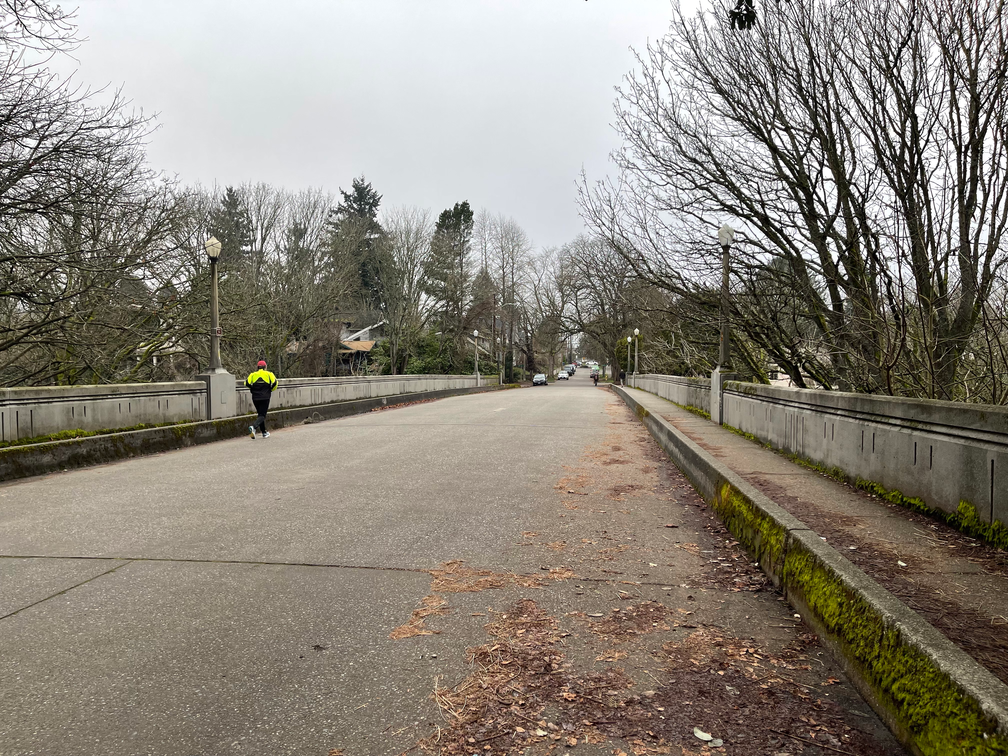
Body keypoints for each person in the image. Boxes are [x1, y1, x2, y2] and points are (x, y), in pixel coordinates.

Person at [245, 360, 278, 439]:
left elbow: (246, 383)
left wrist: (252, 389)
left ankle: (264, 432)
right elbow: (275, 383)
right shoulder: (269, 374)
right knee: (263, 415)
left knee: (260, 414)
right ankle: (254, 427)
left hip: (255, 397)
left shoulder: (253, 375)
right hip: (265, 397)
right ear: (265, 367)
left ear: (257, 367)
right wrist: (270, 389)